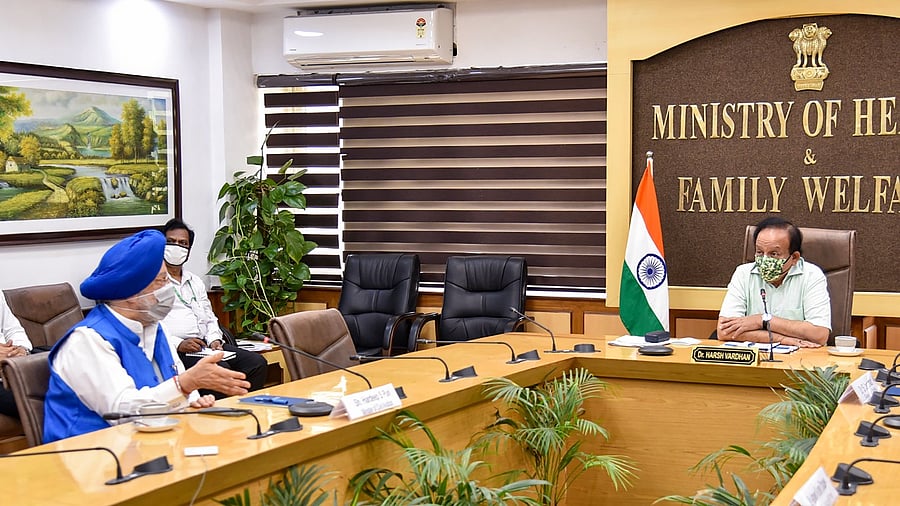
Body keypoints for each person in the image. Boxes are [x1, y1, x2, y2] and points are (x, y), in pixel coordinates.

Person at [43, 230, 250, 443]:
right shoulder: (87, 341)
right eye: (161, 282)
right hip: (91, 460)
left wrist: (192, 403)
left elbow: (177, 390)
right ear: (133, 293)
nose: (169, 289)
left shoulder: (156, 329)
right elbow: (123, 414)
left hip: (151, 449)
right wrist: (185, 384)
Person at [160, 218, 267, 396]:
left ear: (188, 251)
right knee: (221, 369)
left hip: (205, 346)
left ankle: (244, 410)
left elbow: (210, 318)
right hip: (177, 350)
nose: (176, 247)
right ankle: (220, 416)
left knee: (256, 363)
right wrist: (179, 344)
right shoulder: (153, 282)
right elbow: (151, 327)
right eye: (170, 242)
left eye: (182, 243)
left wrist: (214, 340)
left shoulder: (194, 281)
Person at [717, 217, 830, 348]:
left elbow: (819, 334)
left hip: (801, 359)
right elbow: (724, 331)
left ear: (794, 258)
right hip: (753, 359)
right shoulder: (743, 274)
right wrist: (782, 339)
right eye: (759, 252)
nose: (764, 260)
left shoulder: (812, 275)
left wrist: (762, 320)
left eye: (774, 254)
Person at [0, 295, 33, 418]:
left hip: (12, 359)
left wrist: (21, 350)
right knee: (32, 399)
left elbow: (13, 330)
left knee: (57, 355)